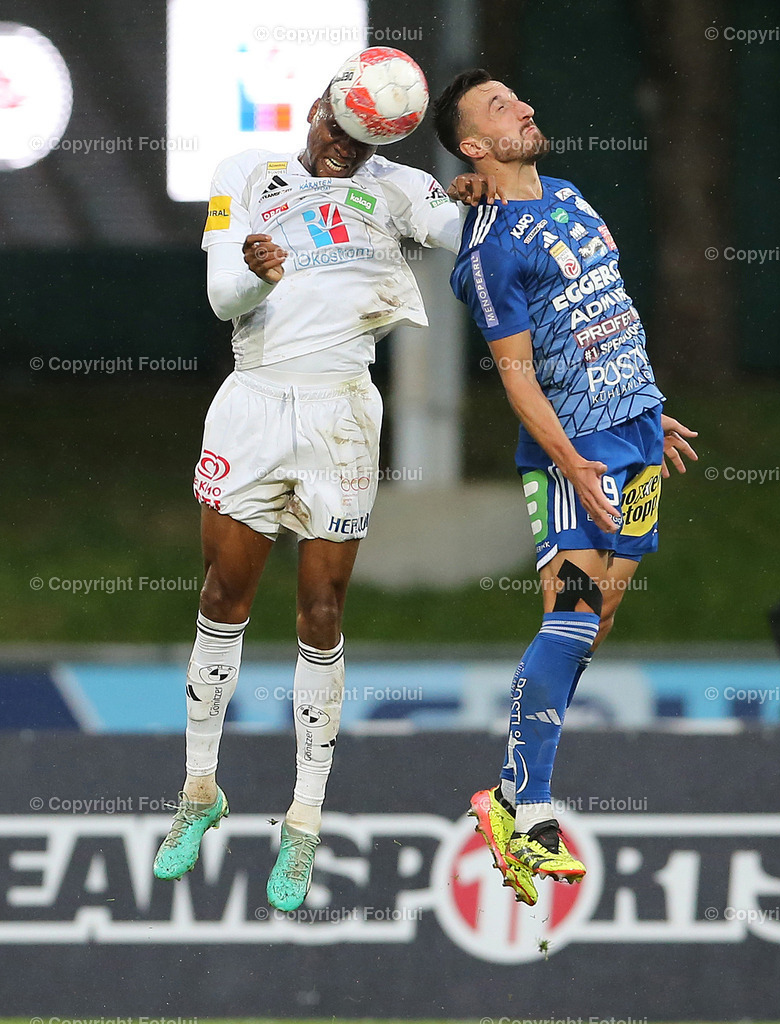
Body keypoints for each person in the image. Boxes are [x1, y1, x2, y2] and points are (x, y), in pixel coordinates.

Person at [152, 66, 468, 912]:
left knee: (322, 611)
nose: (342, 150)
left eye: (362, 144)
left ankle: (302, 822)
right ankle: (198, 792)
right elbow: (226, 297)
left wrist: (492, 198)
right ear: (320, 107)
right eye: (337, 130)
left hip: (341, 414)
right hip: (252, 403)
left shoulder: (397, 187)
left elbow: (460, 230)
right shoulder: (247, 175)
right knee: (223, 596)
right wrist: (258, 271)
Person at [434, 69, 698, 906]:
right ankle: (523, 802)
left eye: (519, 99)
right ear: (473, 145)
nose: (526, 109)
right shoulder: (487, 250)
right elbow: (515, 377)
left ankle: (517, 791)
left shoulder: (572, 194)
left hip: (637, 439)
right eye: (500, 108)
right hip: (570, 454)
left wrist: (650, 408)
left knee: (601, 616)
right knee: (573, 611)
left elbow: (606, 309)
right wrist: (571, 463)